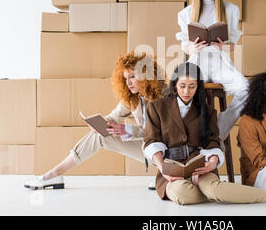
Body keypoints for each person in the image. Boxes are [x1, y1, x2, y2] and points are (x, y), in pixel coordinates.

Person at [143, 62, 266, 205]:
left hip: (200, 166)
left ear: (198, 87)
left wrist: (212, 162)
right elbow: (152, 141)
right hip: (171, 169)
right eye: (182, 85)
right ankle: (217, 192)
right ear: (175, 85)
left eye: (192, 86)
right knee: (182, 194)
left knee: (214, 189)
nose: (187, 91)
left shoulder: (208, 111)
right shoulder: (157, 107)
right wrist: (162, 168)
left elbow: (213, 143)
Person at [24, 52, 166, 190]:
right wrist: (99, 123)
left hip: (168, 151)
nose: (128, 83)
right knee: (100, 135)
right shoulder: (134, 98)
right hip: (149, 150)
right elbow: (114, 116)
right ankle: (54, 175)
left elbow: (162, 131)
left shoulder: (164, 96)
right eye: (125, 79)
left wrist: (128, 130)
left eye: (132, 77)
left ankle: (169, 173)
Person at [176, 0, 248, 140]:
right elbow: (184, 44)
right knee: (177, 90)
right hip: (197, 64)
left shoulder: (231, 9)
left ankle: (219, 129)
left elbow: (233, 44)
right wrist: (192, 47)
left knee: (247, 88)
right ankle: (188, 135)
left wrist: (224, 46)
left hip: (219, 63)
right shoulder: (186, 13)